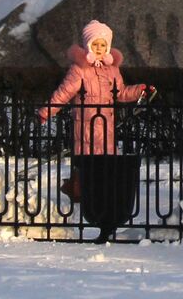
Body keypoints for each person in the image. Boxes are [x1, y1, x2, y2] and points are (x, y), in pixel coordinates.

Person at [38, 20, 154, 243]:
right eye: (95, 44)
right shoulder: (79, 70)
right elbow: (63, 94)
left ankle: (105, 221)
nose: (99, 49)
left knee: (106, 177)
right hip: (87, 130)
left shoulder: (112, 70)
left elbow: (120, 93)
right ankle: (94, 212)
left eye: (103, 45)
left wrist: (139, 89)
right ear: (87, 45)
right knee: (91, 174)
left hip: (107, 132)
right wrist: (46, 112)